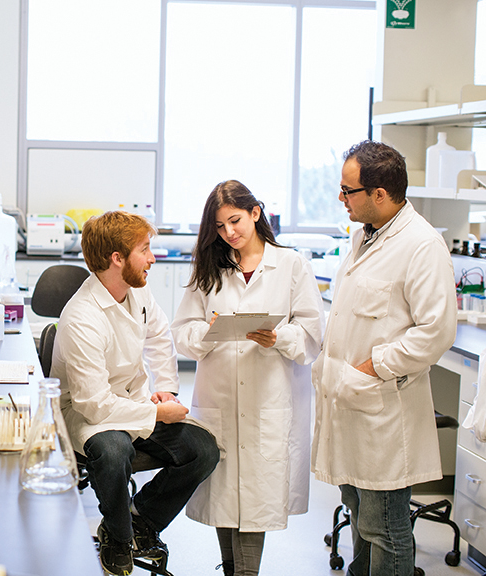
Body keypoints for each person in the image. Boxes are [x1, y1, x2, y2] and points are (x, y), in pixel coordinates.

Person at [312, 140, 457, 576]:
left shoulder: (421, 245)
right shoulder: (362, 238)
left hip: (383, 410)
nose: (341, 199)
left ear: (379, 193)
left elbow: (436, 332)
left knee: (386, 528)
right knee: (358, 515)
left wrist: (374, 367)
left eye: (347, 190)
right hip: (351, 402)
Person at [50, 210, 220, 576]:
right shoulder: (82, 316)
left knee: (203, 449)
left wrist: (166, 391)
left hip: (134, 404)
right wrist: (157, 415)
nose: (153, 258)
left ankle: (141, 519)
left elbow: (161, 340)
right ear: (117, 258)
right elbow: (93, 405)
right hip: (87, 416)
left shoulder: (137, 294)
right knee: (114, 450)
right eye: (145, 249)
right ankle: (117, 535)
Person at [169, 180, 325, 576]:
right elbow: (182, 332)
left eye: (235, 221)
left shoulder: (290, 265)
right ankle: (232, 570)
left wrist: (278, 337)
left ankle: (245, 573)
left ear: (256, 213)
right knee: (224, 491)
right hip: (219, 395)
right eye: (220, 227)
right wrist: (208, 332)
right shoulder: (210, 268)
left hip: (268, 397)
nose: (229, 233)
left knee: (256, 494)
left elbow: (311, 334)